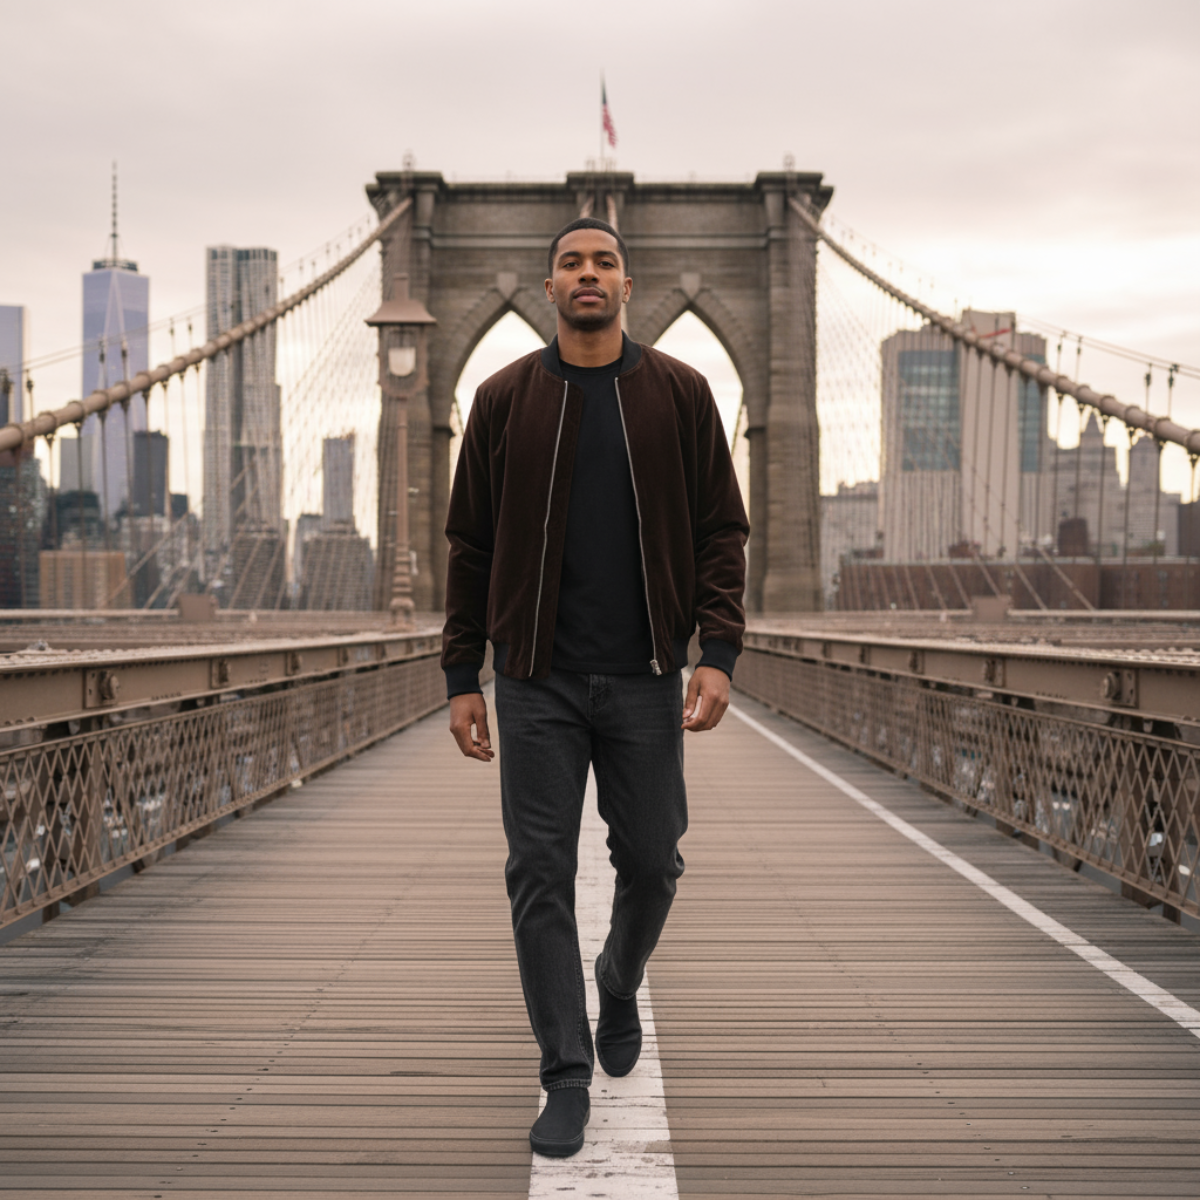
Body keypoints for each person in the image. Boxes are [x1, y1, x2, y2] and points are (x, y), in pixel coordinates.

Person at [442, 216, 748, 1158]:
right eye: (571, 262)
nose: (588, 275)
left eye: (604, 262)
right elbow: (470, 548)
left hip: (648, 676)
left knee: (653, 860)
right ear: (549, 288)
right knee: (536, 873)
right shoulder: (501, 399)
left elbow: (719, 534)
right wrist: (464, 674)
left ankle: (618, 980)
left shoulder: (683, 395)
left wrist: (718, 653)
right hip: (534, 679)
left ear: (628, 284)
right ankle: (564, 1073)